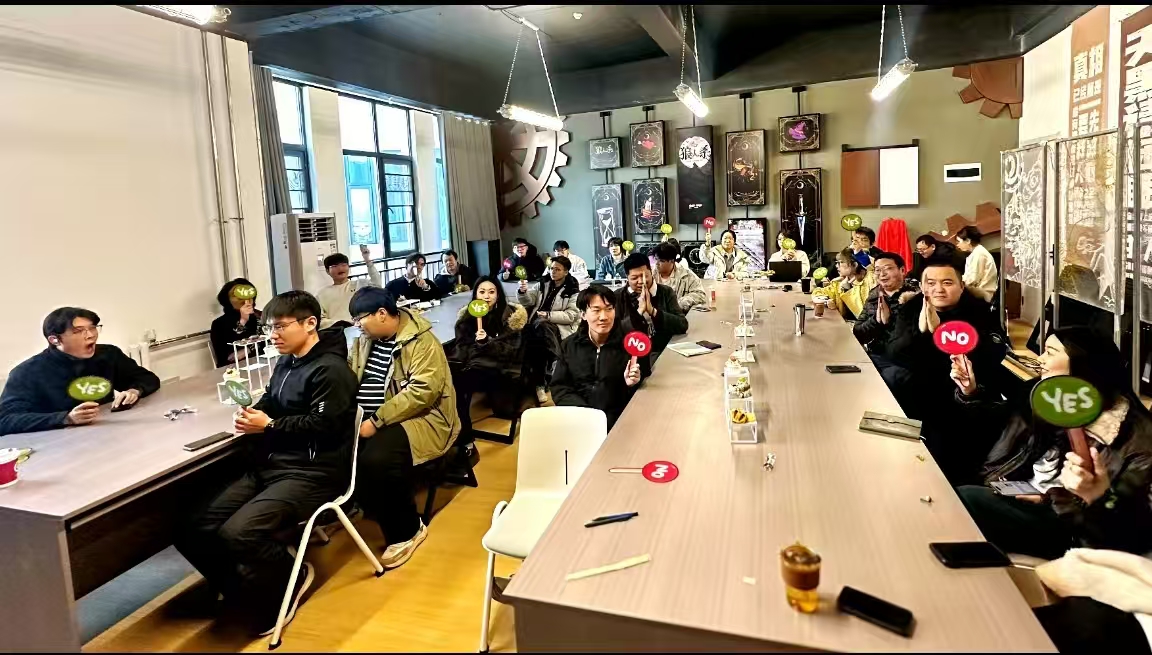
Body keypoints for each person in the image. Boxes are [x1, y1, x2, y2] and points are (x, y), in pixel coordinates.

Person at [176, 291, 357, 635]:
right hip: (274, 464)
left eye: (280, 327)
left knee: (239, 533)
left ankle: (289, 581)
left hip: (314, 472)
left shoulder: (331, 370)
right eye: (268, 328)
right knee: (192, 527)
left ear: (310, 324)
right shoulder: (287, 362)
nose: (273, 335)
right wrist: (254, 413)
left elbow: (326, 426)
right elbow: (272, 399)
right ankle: (241, 590)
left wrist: (270, 426)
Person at [953, 327, 1152, 560]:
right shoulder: (1044, 394)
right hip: (1017, 491)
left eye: (1050, 352)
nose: (1040, 359)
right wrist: (970, 392)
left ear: (1080, 363)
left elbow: (1128, 521)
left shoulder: (1136, 437)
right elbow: (998, 421)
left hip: (1067, 525)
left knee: (967, 498)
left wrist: (1052, 497)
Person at [348, 286, 460, 569]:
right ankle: (357, 505)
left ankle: (407, 530)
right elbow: (350, 374)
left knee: (378, 458)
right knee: (330, 444)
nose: (357, 325)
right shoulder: (365, 340)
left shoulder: (422, 341)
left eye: (359, 318)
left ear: (382, 314)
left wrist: (376, 421)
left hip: (424, 418)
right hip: (372, 416)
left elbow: (422, 392)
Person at [886, 257, 1009, 483]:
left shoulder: (980, 311)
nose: (938, 289)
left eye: (947, 282)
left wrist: (940, 333)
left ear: (962, 285)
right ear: (921, 286)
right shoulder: (912, 308)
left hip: (964, 403)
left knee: (952, 466)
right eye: (931, 283)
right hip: (921, 396)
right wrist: (921, 332)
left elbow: (990, 357)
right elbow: (894, 352)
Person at [0, 307, 161, 436]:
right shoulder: (27, 372)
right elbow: (5, 421)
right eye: (78, 331)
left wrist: (134, 391)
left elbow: (148, 379)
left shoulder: (108, 354)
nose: (90, 335)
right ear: (55, 340)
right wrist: (66, 418)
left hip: (107, 432)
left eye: (93, 328)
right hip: (57, 444)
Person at [551, 285, 651, 429]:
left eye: (609, 309)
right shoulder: (569, 345)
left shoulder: (631, 344)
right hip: (580, 421)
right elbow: (560, 388)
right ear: (583, 314)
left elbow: (646, 391)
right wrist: (586, 415)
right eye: (596, 310)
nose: (604, 317)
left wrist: (631, 385)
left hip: (620, 423)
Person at [448, 277, 527, 436]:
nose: (486, 296)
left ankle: (462, 432)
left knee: (462, 382)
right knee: (451, 377)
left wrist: (487, 342)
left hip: (501, 368)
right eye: (482, 292)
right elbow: (461, 347)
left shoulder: (511, 317)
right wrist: (473, 349)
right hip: (474, 366)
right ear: (475, 294)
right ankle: (462, 431)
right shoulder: (467, 318)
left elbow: (511, 352)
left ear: (498, 295)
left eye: (491, 292)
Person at [518, 255, 581, 403]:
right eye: (551, 268)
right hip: (536, 327)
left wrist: (548, 315)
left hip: (558, 327)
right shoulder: (542, 283)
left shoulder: (572, 289)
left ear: (566, 272)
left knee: (541, 328)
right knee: (536, 339)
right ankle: (542, 379)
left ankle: (538, 383)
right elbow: (529, 301)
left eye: (557, 269)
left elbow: (572, 315)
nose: (553, 272)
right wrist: (523, 292)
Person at [853, 252, 919, 392]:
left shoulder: (915, 296)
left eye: (888, 268)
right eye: (877, 270)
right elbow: (858, 333)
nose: (882, 274)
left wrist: (894, 315)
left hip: (902, 362)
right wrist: (876, 321)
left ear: (902, 270)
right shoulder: (875, 295)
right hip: (876, 355)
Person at [615, 252, 689, 358]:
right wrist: (639, 313)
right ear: (627, 277)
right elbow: (616, 332)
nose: (641, 281)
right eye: (634, 278)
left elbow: (682, 325)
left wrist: (653, 311)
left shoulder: (666, 292)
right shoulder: (618, 296)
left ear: (651, 272)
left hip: (664, 353)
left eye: (645, 276)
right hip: (631, 355)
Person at [317, 243, 381, 329]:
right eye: (334, 266)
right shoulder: (322, 294)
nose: (340, 268)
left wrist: (367, 260)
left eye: (343, 265)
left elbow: (377, 284)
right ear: (327, 271)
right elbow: (320, 320)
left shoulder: (360, 284)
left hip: (362, 328)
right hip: (336, 331)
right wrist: (343, 323)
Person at [210, 278, 263, 367]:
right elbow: (225, 355)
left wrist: (248, 349)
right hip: (235, 368)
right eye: (238, 297)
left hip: (263, 362)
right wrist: (243, 321)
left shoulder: (259, 316)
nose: (245, 300)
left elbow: (269, 340)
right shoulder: (219, 324)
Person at [812, 248, 875, 320]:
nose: (836, 266)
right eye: (837, 263)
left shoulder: (869, 281)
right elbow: (818, 292)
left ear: (854, 265)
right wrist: (827, 301)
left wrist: (847, 290)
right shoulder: (840, 282)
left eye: (840, 262)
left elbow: (861, 313)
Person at [653, 241, 706, 313]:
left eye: (661, 261)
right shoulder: (650, 274)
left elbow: (700, 295)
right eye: (656, 259)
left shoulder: (686, 276)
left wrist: (679, 304)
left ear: (672, 261)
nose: (657, 263)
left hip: (677, 316)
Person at [955, 226, 998, 302]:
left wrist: (956, 282)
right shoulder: (977, 252)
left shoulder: (979, 254)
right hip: (979, 291)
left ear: (968, 241)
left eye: (959, 241)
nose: (957, 245)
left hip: (983, 294)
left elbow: (973, 279)